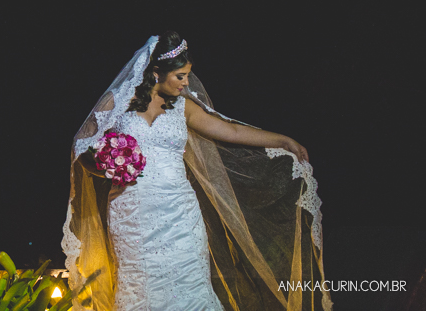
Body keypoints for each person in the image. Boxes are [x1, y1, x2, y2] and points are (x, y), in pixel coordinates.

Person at [62, 33, 330, 311]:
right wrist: (109, 167)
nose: (186, 82)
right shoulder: (118, 105)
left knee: (190, 286)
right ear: (156, 73)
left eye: (188, 75)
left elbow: (231, 130)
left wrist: (282, 140)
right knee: (139, 284)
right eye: (180, 76)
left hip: (180, 213)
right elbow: (82, 147)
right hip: (131, 214)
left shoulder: (183, 108)